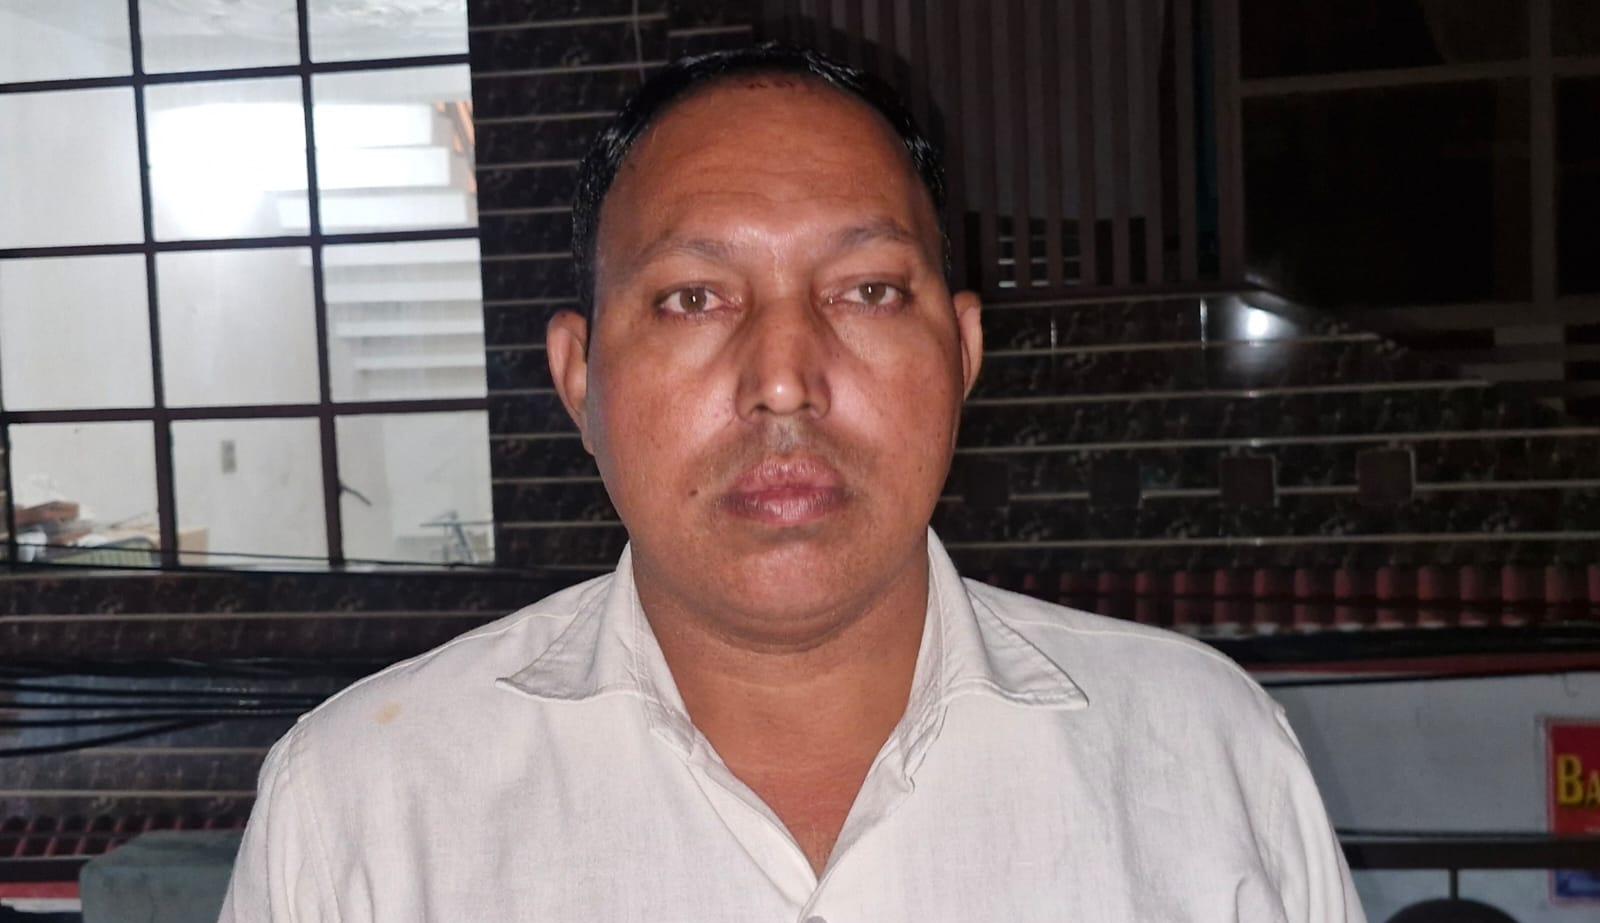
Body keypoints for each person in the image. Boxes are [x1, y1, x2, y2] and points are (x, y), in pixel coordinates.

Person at [219, 44, 1364, 922]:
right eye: (692, 298)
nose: (782, 379)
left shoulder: (1200, 749)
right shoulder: (364, 803)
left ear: (963, 353)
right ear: (579, 378)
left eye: (867, 290)